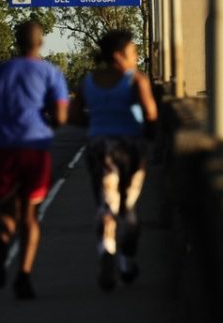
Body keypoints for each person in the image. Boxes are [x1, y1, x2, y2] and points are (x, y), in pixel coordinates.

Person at [0, 21, 68, 300]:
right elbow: (61, 116)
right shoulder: (51, 73)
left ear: (16, 41)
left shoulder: (0, 71)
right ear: (40, 42)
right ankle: (24, 276)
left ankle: (2, 242)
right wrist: (46, 124)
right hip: (35, 148)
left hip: (1, 147)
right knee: (29, 214)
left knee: (6, 211)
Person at [68, 29, 158, 291]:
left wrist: (97, 123)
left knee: (106, 205)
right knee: (127, 206)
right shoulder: (135, 80)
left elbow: (74, 116)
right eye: (133, 52)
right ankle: (127, 258)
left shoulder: (88, 82)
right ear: (119, 56)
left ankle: (107, 252)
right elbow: (151, 114)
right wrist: (149, 137)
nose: (136, 57)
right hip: (130, 148)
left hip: (99, 148)